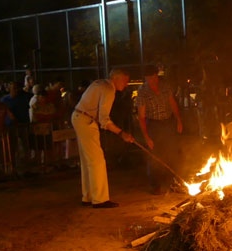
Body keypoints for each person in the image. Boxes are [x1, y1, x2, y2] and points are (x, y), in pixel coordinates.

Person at [71, 69, 134, 208]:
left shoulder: (99, 83)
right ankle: (100, 199)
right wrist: (121, 133)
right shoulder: (109, 89)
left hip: (79, 117)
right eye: (125, 80)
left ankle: (88, 196)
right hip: (86, 121)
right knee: (97, 161)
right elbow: (104, 120)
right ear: (116, 78)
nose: (126, 84)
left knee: (87, 160)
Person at [136, 65, 183, 193]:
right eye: (149, 78)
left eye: (154, 77)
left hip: (168, 123)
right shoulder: (143, 92)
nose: (152, 80)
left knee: (172, 152)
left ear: (157, 76)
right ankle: (155, 185)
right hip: (153, 125)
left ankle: (174, 182)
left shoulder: (165, 86)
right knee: (155, 155)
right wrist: (146, 136)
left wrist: (178, 119)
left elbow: (172, 103)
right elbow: (141, 116)